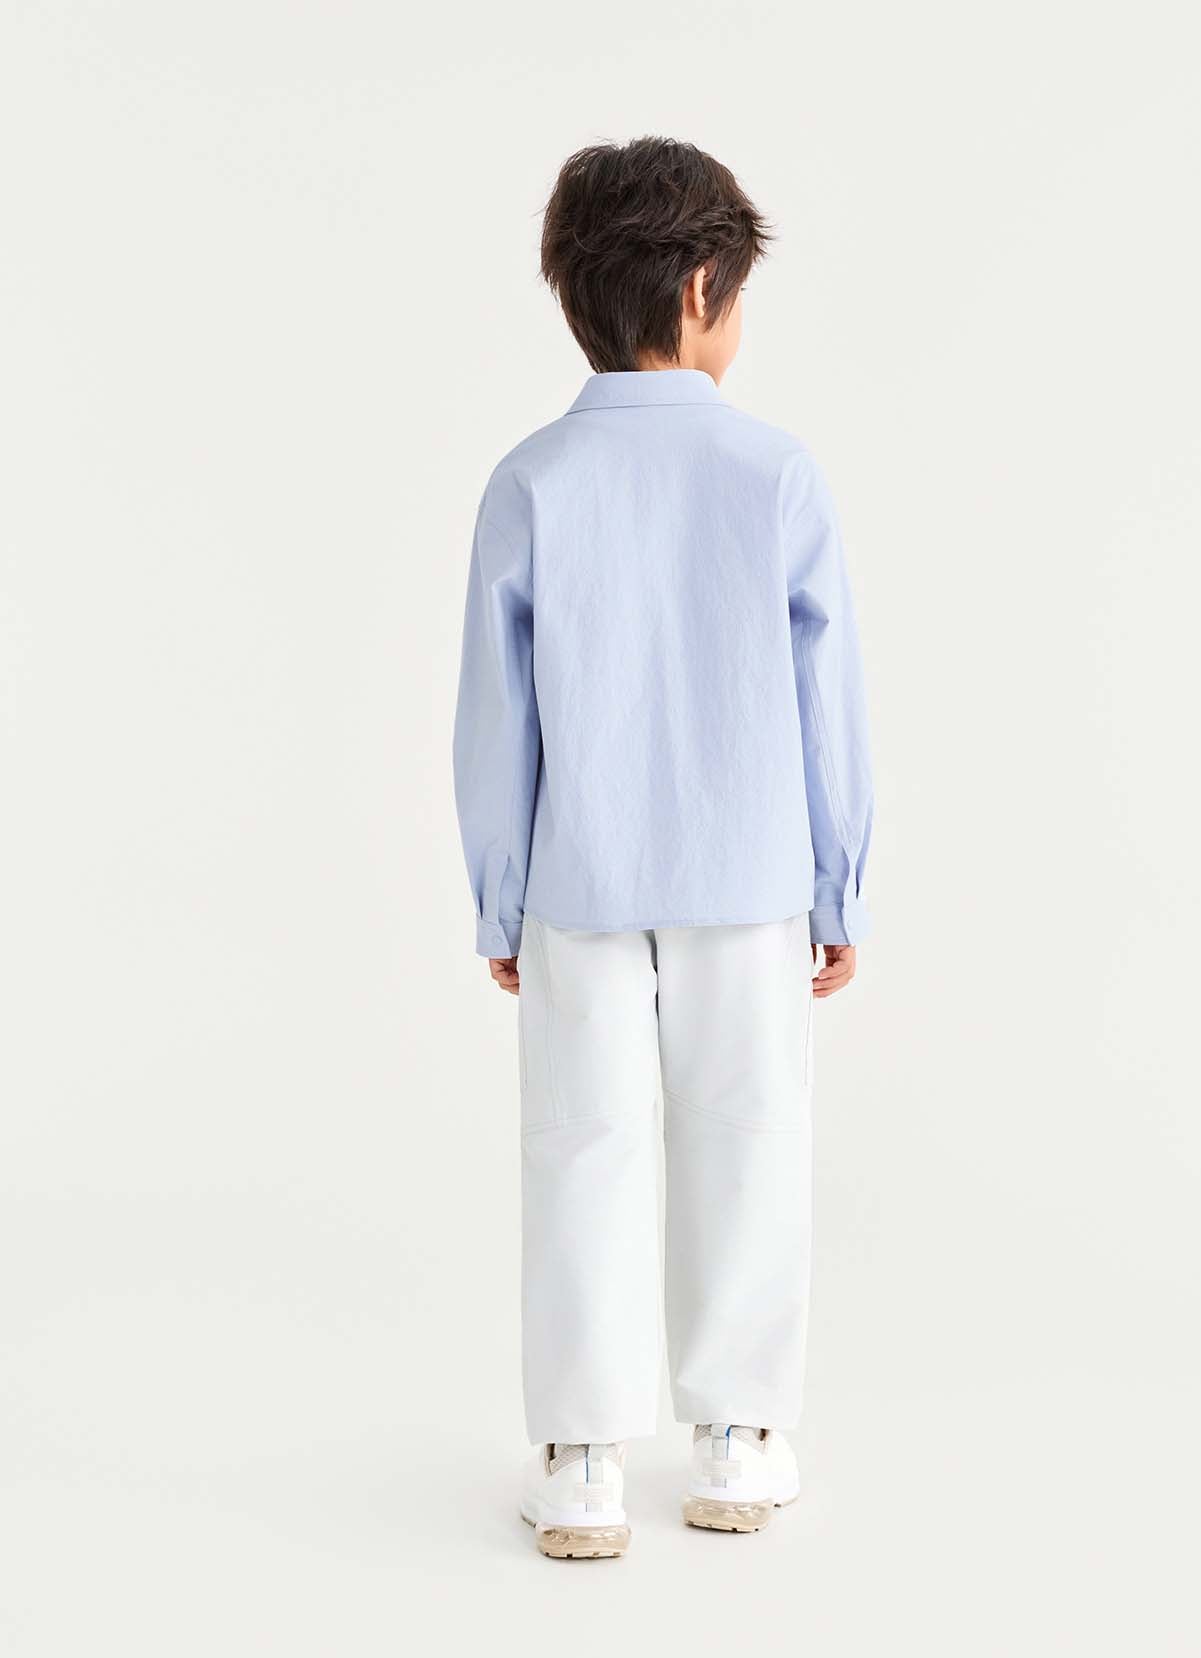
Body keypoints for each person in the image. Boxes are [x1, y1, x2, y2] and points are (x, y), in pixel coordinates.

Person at [452, 136, 872, 1559]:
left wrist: (501, 897)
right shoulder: (775, 473)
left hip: (576, 880)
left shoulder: (531, 479)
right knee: (748, 1134)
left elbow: (495, 715)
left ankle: (580, 1456)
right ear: (700, 290)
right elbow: (827, 697)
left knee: (580, 1143)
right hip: (748, 879)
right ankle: (739, 1435)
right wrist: (838, 881)